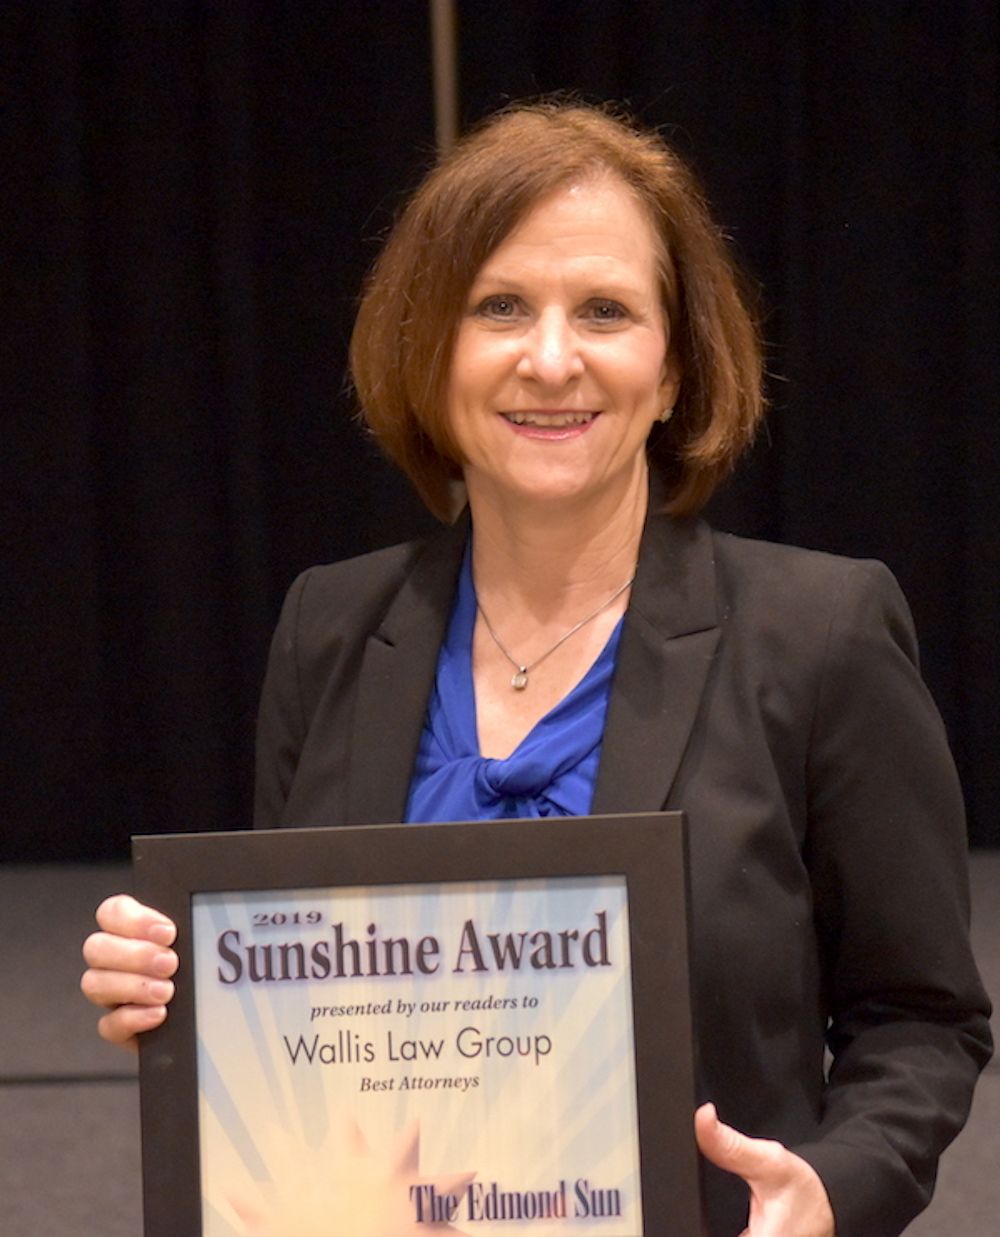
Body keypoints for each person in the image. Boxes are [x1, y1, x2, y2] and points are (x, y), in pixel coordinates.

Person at [81, 101, 991, 1236]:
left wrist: (833, 1185)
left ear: (671, 371)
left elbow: (922, 1019)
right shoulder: (329, 624)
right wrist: (182, 1000)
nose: (550, 358)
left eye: (604, 311)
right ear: (431, 351)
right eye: (499, 306)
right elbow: (307, 1016)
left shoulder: (822, 632)